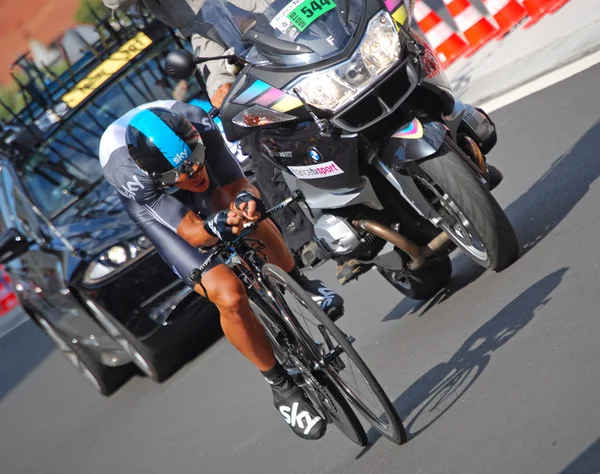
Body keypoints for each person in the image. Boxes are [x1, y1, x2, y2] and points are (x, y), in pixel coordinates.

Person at [99, 100, 345, 440]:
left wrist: (244, 202)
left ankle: (302, 282)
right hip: (158, 204)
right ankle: (280, 385)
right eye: (181, 175)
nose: (194, 175)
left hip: (189, 154)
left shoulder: (198, 122)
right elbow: (191, 234)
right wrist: (213, 227)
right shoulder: (135, 178)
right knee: (227, 295)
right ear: (161, 176)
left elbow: (235, 185)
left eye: (196, 162)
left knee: (245, 214)